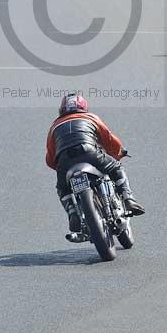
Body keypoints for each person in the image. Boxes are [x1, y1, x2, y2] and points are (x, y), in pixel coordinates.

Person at [46, 92, 145, 236]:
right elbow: (109, 140)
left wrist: (62, 168)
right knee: (116, 168)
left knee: (63, 188)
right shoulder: (91, 118)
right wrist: (118, 153)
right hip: (90, 152)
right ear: (83, 107)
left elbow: (49, 157)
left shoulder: (54, 126)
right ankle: (128, 198)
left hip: (64, 161)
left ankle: (72, 212)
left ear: (62, 109)